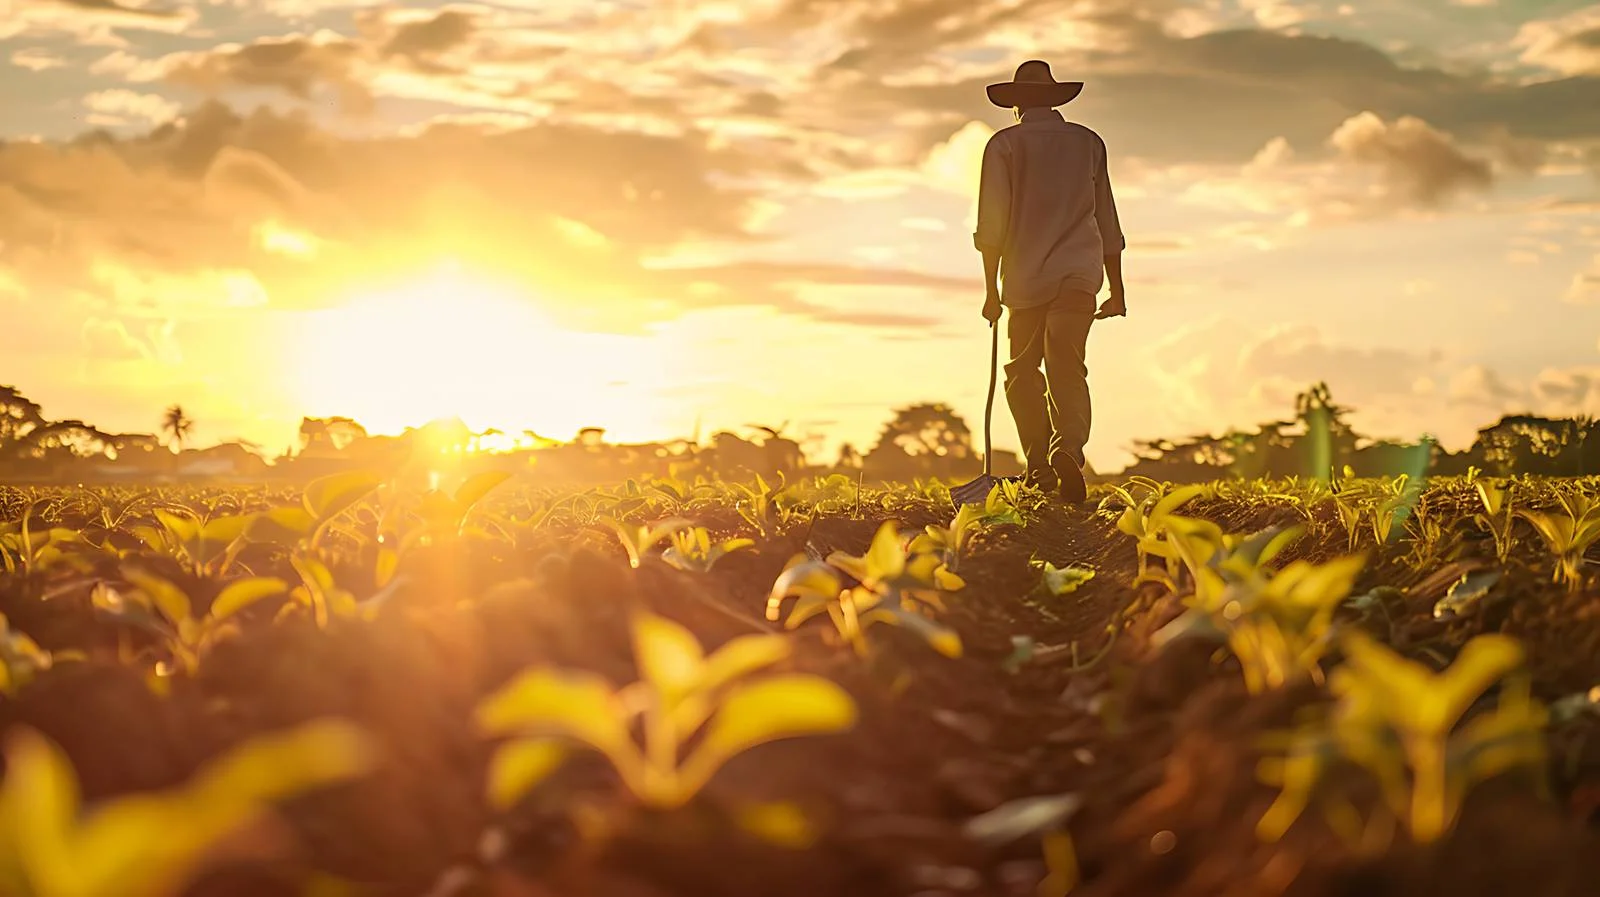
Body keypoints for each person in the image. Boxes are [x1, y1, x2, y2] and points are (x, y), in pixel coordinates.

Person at [974, 59, 1126, 505]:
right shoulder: (1088, 143)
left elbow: (991, 226)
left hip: (1023, 279)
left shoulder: (1003, 146)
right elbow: (1107, 219)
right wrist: (1117, 288)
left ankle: (1038, 466)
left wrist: (990, 292)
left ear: (1016, 103)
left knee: (1022, 372)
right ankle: (1069, 449)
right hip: (1080, 274)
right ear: (1055, 99)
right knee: (1067, 365)